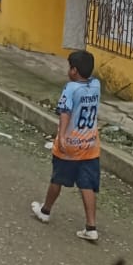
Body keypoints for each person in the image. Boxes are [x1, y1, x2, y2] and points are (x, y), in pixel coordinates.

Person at [31, 49, 102, 242]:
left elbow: (65, 113)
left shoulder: (71, 88)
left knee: (57, 179)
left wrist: (61, 136)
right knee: (87, 184)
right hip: (90, 144)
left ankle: (45, 211)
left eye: (69, 67)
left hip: (70, 145)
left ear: (74, 70)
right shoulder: (96, 85)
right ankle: (91, 226)